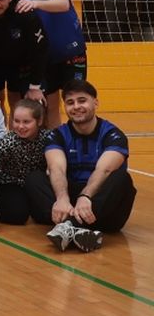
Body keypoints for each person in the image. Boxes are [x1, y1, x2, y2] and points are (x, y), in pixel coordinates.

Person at [29, 80, 138, 251]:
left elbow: (105, 170)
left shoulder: (113, 135)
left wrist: (86, 197)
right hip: (70, 203)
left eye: (82, 100)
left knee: (122, 178)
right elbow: (56, 168)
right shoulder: (57, 135)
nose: (76, 106)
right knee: (34, 178)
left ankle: (69, 226)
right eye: (70, 102)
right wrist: (62, 198)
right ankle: (80, 232)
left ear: (95, 103)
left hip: (103, 208)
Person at [2, 0, 88, 125]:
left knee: (77, 103)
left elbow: (63, 4)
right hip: (39, 54)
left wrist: (34, 3)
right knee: (46, 106)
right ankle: (51, 152)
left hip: (68, 49)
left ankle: (77, 149)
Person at [0, 99, 47, 225]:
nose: (20, 126)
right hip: (11, 183)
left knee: (44, 217)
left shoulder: (47, 139)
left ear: (39, 121)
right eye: (16, 121)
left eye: (26, 122)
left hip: (35, 184)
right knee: (18, 216)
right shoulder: (7, 143)